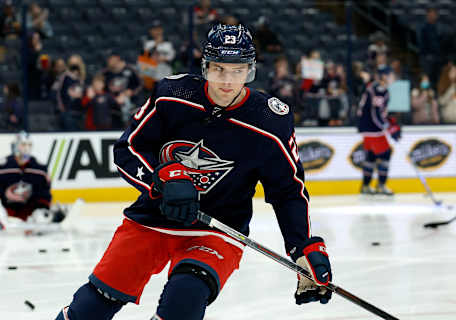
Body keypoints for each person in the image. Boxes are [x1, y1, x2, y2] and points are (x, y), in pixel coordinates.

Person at [55, 24, 332, 320]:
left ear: (251, 70)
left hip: (216, 230)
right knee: (93, 306)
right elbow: (129, 148)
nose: (227, 81)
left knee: (183, 301)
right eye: (218, 70)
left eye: (238, 71)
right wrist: (162, 178)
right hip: (152, 219)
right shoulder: (172, 95)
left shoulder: (270, 121)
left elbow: (287, 191)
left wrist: (302, 246)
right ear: (205, 67)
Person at [0, 131, 65, 232]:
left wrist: (41, 209)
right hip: (5, 210)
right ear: (16, 145)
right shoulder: (2, 165)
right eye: (23, 144)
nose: (26, 148)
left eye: (29, 145)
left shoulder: (39, 168)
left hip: (26, 212)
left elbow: (44, 193)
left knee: (44, 216)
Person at [357, 67, 401, 196]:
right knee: (386, 153)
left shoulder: (380, 89)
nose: (393, 78)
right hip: (372, 129)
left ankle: (365, 185)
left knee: (371, 156)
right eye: (391, 75)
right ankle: (381, 185)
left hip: (369, 128)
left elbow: (380, 112)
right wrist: (387, 127)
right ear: (384, 77)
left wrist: (389, 122)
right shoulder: (378, 89)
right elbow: (374, 113)